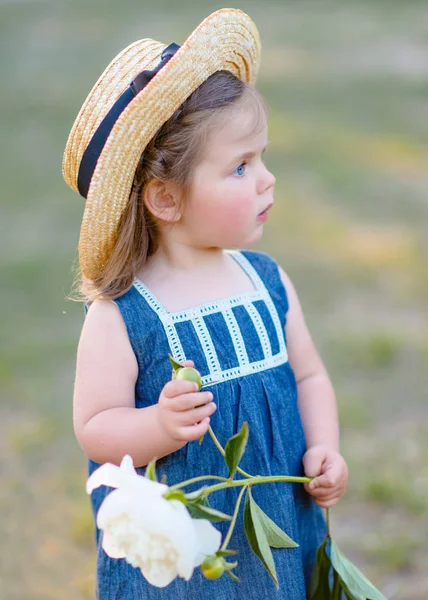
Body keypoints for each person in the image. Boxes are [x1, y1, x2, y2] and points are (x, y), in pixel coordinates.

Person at [63, 8, 348, 599]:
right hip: (184, 559)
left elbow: (310, 375)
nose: (267, 179)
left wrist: (324, 446)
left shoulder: (266, 282)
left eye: (262, 158)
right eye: (241, 167)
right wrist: (157, 426)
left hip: (276, 529)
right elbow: (94, 428)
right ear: (165, 199)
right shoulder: (123, 313)